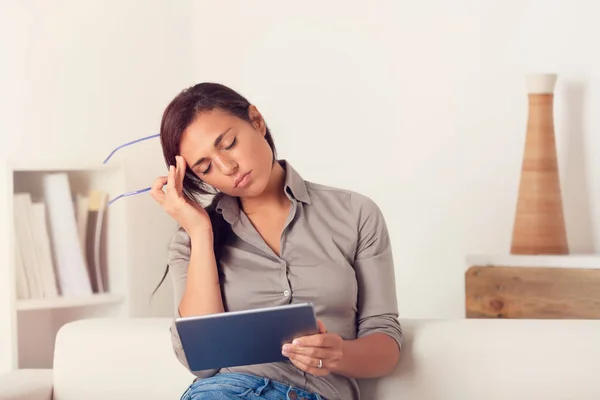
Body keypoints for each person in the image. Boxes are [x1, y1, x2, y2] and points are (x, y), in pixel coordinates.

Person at [150, 82, 402, 400]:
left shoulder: (354, 213)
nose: (229, 168)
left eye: (228, 143)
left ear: (256, 121)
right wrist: (200, 234)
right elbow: (201, 363)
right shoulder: (192, 242)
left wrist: (340, 354)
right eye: (206, 166)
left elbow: (385, 341)